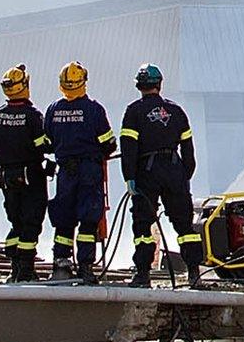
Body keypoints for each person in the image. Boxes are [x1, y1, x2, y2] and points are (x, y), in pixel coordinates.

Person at [119, 63, 206, 288]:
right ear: (159, 84)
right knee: (185, 225)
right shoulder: (176, 111)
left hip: (147, 171)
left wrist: (129, 177)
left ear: (139, 86)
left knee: (143, 224)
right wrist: (183, 175)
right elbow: (188, 149)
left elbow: (128, 148)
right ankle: (194, 272)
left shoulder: (134, 112)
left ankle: (142, 274)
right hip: (174, 169)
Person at [43, 61, 114, 282]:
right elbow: (109, 143)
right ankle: (85, 268)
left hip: (65, 171)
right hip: (89, 171)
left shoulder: (53, 110)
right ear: (83, 81)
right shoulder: (94, 110)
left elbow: (46, 143)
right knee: (88, 220)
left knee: (64, 218)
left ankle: (61, 266)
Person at [0, 64, 50, 282]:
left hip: (7, 177)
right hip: (31, 176)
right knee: (31, 222)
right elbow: (43, 146)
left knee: (16, 222)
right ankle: (25, 269)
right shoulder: (33, 117)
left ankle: (15, 267)